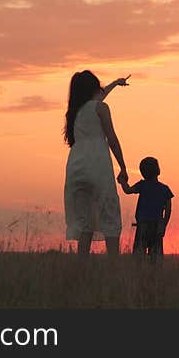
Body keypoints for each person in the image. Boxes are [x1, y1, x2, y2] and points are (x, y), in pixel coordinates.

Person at [63, 70, 130, 257]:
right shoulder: (101, 108)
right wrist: (123, 166)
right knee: (109, 213)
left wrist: (115, 83)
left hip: (76, 166)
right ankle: (114, 264)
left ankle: (82, 265)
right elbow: (112, 139)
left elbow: (98, 98)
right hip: (97, 163)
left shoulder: (74, 112)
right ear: (93, 88)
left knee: (86, 222)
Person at [120, 156, 173, 262]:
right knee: (156, 259)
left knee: (138, 257)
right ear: (158, 170)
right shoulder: (164, 189)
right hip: (157, 226)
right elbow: (168, 210)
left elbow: (127, 190)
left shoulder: (142, 185)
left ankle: (140, 276)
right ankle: (154, 277)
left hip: (142, 225)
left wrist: (122, 181)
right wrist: (163, 225)